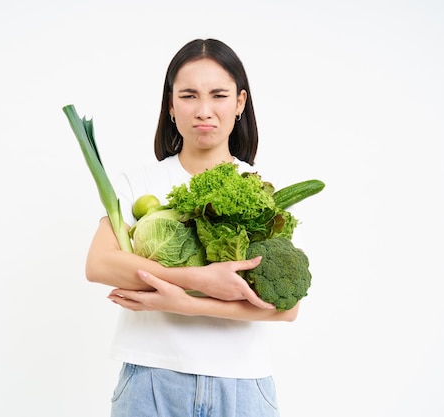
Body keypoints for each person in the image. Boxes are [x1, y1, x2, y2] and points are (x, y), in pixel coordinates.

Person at [86, 38, 299, 417]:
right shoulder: (137, 184)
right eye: (188, 95)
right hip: (150, 380)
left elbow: (285, 308)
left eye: (219, 95)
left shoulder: (261, 192)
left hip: (242, 385)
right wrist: (200, 278)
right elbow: (100, 265)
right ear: (170, 105)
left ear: (239, 104)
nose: (204, 110)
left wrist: (180, 302)